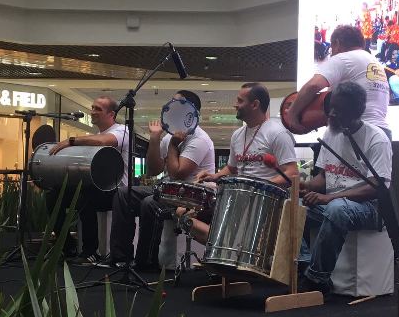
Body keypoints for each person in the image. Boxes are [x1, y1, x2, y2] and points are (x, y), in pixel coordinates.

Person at [298, 82, 392, 295]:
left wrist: (329, 198)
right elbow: (324, 176)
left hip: (370, 208)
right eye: (330, 107)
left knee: (337, 208)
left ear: (356, 112)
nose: (331, 114)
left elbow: (377, 188)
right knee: (292, 206)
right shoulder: (331, 133)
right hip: (334, 203)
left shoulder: (377, 139)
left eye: (338, 110)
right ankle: (303, 266)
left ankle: (316, 279)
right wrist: (303, 187)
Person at [104, 90, 214, 270]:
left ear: (191, 110)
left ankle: (146, 262)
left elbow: (177, 173)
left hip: (192, 195)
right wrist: (155, 140)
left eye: (177, 103)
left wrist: (172, 145)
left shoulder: (200, 139)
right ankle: (120, 257)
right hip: (169, 190)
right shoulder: (170, 136)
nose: (171, 107)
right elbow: (153, 170)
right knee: (124, 194)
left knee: (150, 203)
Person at [193, 83, 297, 243]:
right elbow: (232, 168)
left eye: (240, 101)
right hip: (239, 198)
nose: (235, 104)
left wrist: (258, 185)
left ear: (255, 104)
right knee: (184, 213)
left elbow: (292, 173)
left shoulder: (277, 133)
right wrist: (215, 176)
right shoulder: (237, 135)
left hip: (266, 201)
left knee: (235, 241)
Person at [46, 96, 129, 262]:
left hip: (118, 192)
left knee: (85, 194)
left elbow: (106, 141)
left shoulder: (122, 131)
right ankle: (67, 246)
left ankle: (91, 251)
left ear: (111, 114)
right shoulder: (96, 135)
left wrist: (71, 141)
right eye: (92, 108)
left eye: (98, 109)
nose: (92, 112)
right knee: (54, 194)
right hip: (97, 188)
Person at [286, 25, 391, 139]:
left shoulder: (343, 58)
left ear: (337, 43)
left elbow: (313, 85)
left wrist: (292, 114)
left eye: (332, 47)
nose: (332, 52)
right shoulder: (374, 62)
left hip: (356, 132)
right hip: (382, 133)